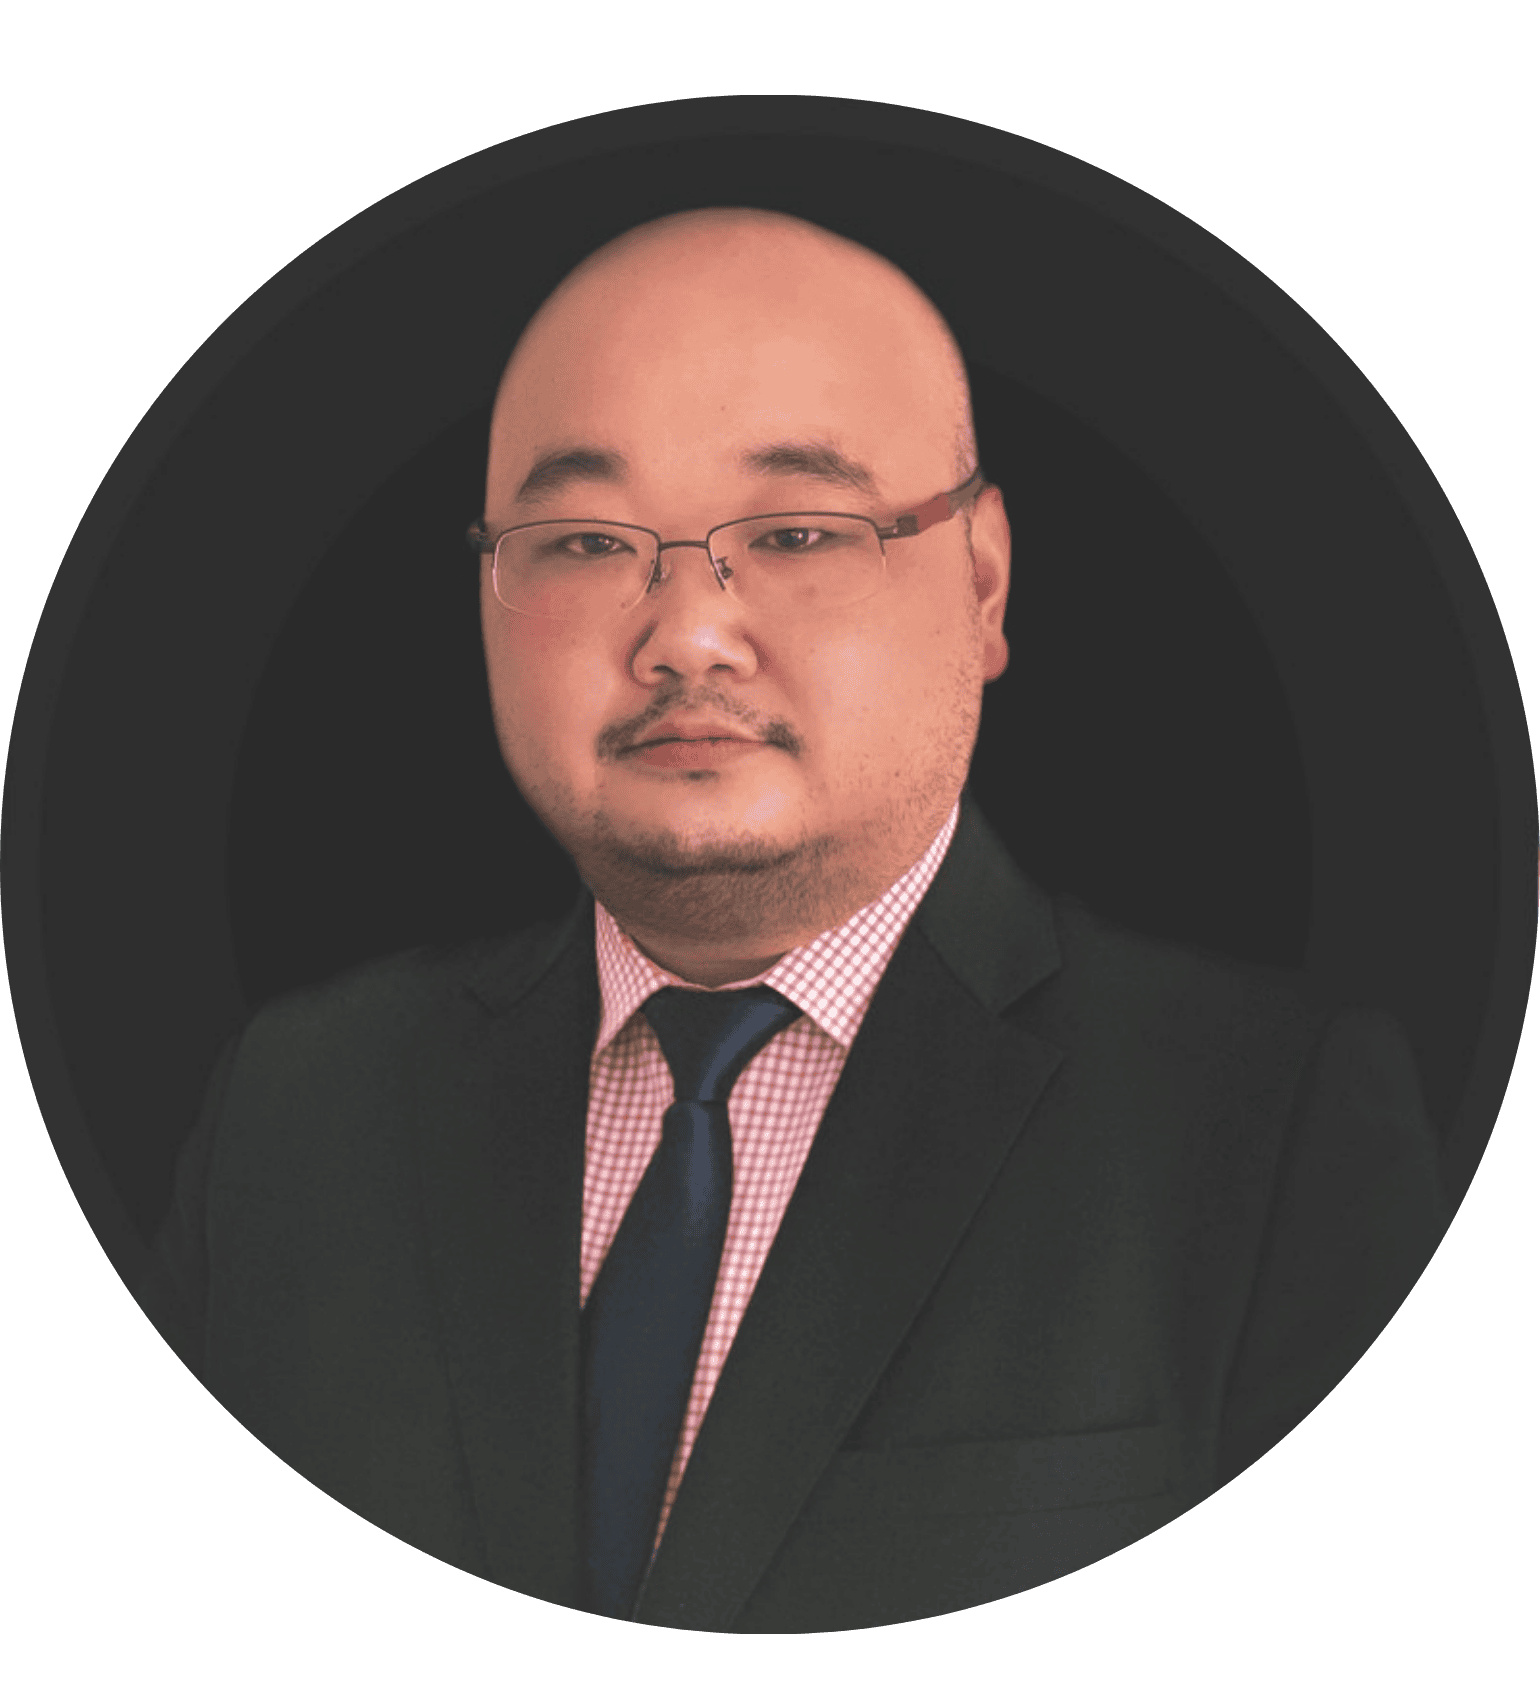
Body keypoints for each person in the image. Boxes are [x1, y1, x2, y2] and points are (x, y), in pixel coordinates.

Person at [139, 208, 1448, 1633]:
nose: (687, 631)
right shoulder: (295, 1106)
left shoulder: (1275, 1123)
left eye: (799, 530)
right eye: (582, 537)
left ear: (986, 580)